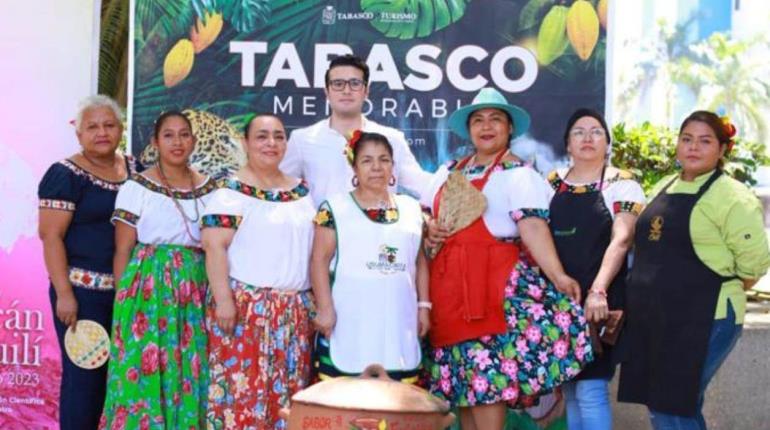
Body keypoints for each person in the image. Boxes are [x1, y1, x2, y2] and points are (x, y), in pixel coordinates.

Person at [421, 88, 592, 430]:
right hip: (448, 291)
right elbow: (423, 215)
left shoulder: (518, 173)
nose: (486, 127)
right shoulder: (448, 171)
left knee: (487, 385)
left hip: (492, 289)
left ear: (510, 128)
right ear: (468, 129)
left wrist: (557, 276)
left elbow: (532, 228)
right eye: (478, 120)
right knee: (465, 390)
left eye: (495, 119)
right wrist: (429, 227)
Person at [618, 111, 770, 429]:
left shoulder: (732, 196)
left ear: (722, 149)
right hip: (657, 318)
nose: (693, 148)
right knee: (664, 405)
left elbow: (753, 264)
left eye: (705, 141)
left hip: (707, 317)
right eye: (687, 139)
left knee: (674, 405)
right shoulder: (664, 185)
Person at [100, 111, 216, 429]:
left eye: (183, 134)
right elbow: (123, 248)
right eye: (168, 135)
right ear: (155, 142)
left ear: (193, 140)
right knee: (146, 367)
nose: (177, 142)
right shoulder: (138, 187)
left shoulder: (211, 188)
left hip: (195, 289)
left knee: (189, 368)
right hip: (147, 292)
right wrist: (123, 303)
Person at [202, 114, 316, 429]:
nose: (271, 143)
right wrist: (224, 300)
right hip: (246, 313)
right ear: (246, 142)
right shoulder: (230, 192)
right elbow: (214, 247)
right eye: (262, 136)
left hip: (293, 315)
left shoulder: (302, 191)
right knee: (242, 395)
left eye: (279, 136)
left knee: (288, 399)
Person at [38, 95, 138, 430]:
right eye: (92, 127)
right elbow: (51, 237)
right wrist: (65, 294)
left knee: (123, 380)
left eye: (109, 125)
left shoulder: (136, 170)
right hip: (82, 298)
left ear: (121, 129)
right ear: (78, 134)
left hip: (128, 296)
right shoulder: (65, 174)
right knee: (85, 382)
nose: (102, 133)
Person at [547, 108, 645, 430]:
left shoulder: (622, 183)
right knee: (572, 389)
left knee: (590, 389)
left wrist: (598, 291)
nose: (588, 138)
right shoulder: (550, 183)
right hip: (558, 299)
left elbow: (622, 239)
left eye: (596, 131)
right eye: (579, 132)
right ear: (567, 144)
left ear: (607, 143)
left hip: (600, 300)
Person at [310, 131, 430, 383]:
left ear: (393, 166)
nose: (376, 168)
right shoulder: (333, 208)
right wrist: (325, 308)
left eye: (384, 160)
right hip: (349, 319)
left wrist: (424, 307)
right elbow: (319, 261)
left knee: (396, 404)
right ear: (354, 167)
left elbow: (419, 262)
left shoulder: (411, 208)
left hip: (399, 320)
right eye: (367, 160)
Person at [280, 54, 430, 206]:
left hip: (379, 228)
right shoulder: (302, 139)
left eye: (355, 83)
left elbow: (422, 185)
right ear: (327, 92)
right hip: (323, 228)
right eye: (338, 84)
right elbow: (280, 187)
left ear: (366, 91)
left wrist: (450, 177)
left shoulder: (391, 138)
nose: (346, 91)